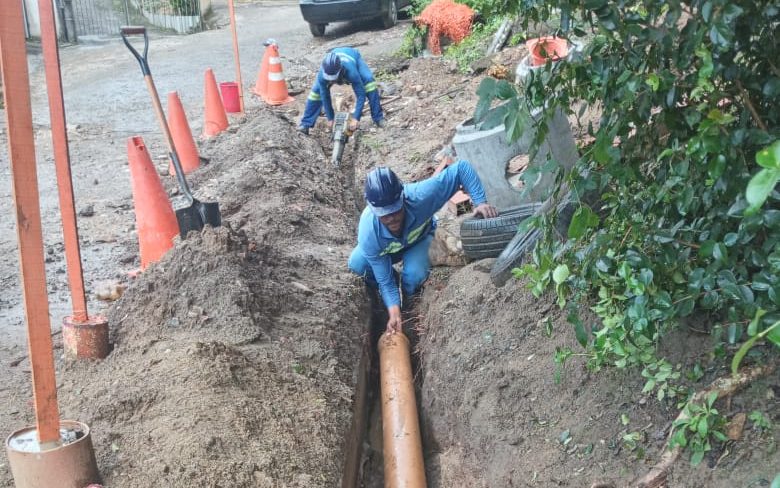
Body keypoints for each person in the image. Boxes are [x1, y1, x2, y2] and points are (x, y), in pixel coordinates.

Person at [348, 163, 498, 334]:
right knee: (357, 264)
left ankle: (410, 302)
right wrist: (393, 312)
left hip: (420, 239)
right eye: (385, 215)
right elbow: (384, 281)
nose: (392, 219)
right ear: (374, 211)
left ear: (403, 197)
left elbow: (461, 169)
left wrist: (480, 202)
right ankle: (389, 303)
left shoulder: (422, 196)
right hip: (388, 252)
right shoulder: (369, 233)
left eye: (395, 211)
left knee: (413, 275)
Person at [298, 47, 386, 135]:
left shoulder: (351, 72)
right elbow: (325, 96)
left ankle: (378, 118)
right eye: (329, 79)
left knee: (368, 81)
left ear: (340, 70)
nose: (331, 81)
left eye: (333, 78)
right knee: (316, 93)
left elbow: (361, 95)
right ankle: (305, 124)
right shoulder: (322, 75)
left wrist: (356, 118)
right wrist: (330, 118)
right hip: (335, 62)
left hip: (352, 55)